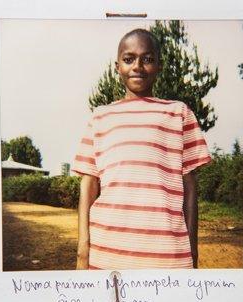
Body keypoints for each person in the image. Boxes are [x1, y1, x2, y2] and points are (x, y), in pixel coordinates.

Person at [72, 29, 211, 270]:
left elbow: (189, 188)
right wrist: (83, 249)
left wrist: (193, 251)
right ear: (117, 66)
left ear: (159, 65)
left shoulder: (179, 113)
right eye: (129, 59)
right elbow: (89, 184)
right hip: (107, 253)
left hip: (166, 256)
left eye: (147, 59)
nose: (137, 66)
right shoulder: (101, 116)